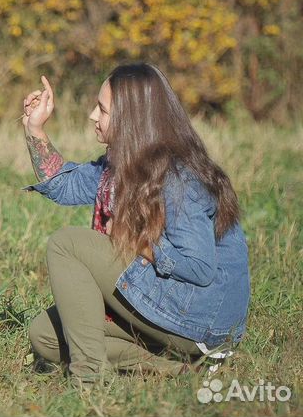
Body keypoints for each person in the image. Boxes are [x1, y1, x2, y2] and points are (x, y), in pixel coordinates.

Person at [22, 64, 250, 382]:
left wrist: (140, 243)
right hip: (167, 305)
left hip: (201, 319)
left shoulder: (177, 178)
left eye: (101, 109)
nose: (92, 116)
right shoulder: (124, 165)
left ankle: (90, 379)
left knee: (67, 245)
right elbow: (64, 184)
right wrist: (35, 130)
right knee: (44, 335)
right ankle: (178, 369)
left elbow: (200, 268)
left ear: (131, 118)